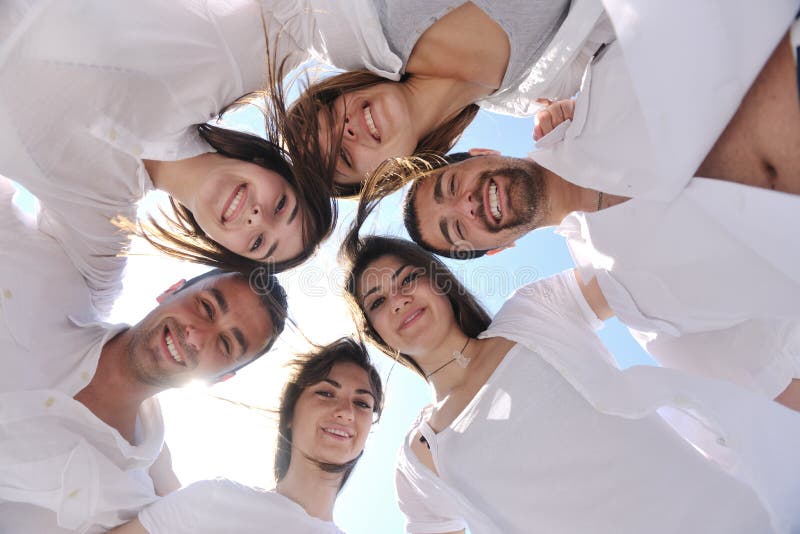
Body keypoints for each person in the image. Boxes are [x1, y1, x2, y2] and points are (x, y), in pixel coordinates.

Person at [342, 234, 800, 533]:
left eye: (407, 280)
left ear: (438, 282)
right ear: (377, 333)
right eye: (379, 301)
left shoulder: (533, 312)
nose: (399, 300)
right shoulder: (421, 455)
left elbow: (633, 266)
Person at [0, 0, 405, 314]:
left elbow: (83, 312)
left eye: (259, 242)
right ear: (270, 166)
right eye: (281, 205)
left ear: (221, 247)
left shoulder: (101, 216)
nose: (256, 218)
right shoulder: (221, 68)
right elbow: (314, 17)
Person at [396, 150, 800, 408]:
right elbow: (771, 384)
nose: (465, 206)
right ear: (498, 249)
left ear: (483, 153)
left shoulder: (591, 105)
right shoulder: (632, 292)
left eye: (451, 185)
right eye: (457, 231)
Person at [0, 177, 288, 532]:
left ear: (220, 378)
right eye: (207, 306)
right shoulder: (52, 271)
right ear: (171, 290)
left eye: (226, 345)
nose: (197, 335)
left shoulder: (132, 501)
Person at [288, 0, 614, 195]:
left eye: (329, 118)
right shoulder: (538, 92)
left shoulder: (383, 15)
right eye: (344, 156)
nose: (344, 130)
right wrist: (587, 104)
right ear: (386, 177)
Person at [107, 337, 384, 534]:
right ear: (289, 416)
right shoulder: (212, 501)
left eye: (362, 404)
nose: (346, 412)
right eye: (326, 393)